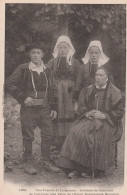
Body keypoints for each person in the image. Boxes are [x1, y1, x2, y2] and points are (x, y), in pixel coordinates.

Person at [58, 67, 124, 179]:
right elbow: (82, 106)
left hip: (108, 122)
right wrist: (87, 113)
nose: (98, 78)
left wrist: (104, 115)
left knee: (97, 135)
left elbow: (119, 111)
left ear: (107, 77)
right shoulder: (88, 89)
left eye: (101, 75)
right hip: (89, 119)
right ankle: (73, 167)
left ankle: (94, 169)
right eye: (96, 75)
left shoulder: (115, 91)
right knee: (75, 131)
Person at [5, 42, 60, 175]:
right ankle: (28, 162)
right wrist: (23, 97)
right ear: (30, 54)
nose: (36, 55)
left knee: (48, 134)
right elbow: (9, 84)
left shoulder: (47, 70)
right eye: (33, 53)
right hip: (29, 109)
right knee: (28, 136)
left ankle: (46, 162)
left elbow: (53, 89)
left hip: (45, 109)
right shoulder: (23, 69)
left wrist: (53, 107)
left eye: (38, 53)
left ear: (43, 55)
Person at [47, 35, 83, 150]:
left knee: (70, 114)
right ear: (57, 49)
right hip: (56, 93)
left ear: (69, 49)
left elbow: (79, 79)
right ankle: (57, 143)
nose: (62, 50)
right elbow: (47, 75)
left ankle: (69, 142)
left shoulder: (75, 62)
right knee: (57, 114)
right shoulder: (52, 62)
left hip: (69, 94)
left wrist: (76, 96)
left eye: (64, 48)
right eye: (60, 48)